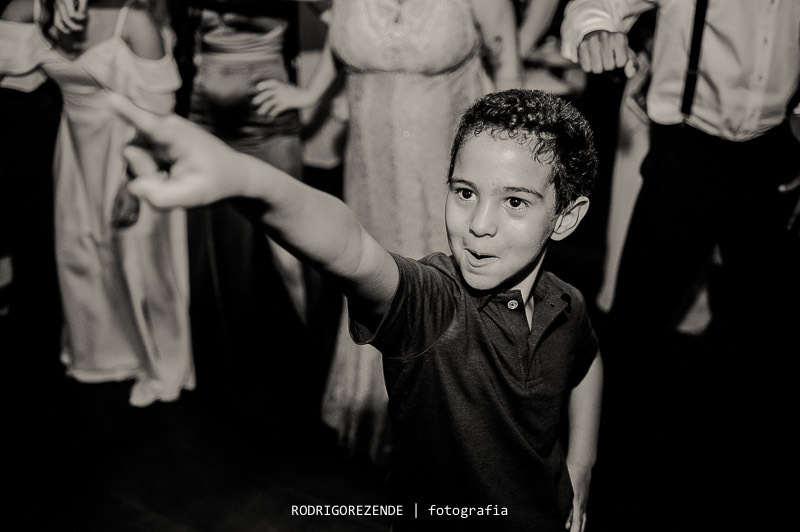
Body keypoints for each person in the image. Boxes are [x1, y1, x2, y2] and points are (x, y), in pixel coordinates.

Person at [109, 88, 602, 531]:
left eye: (515, 202)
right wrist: (246, 178)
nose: (480, 223)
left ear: (565, 218)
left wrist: (580, 467)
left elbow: (586, 364)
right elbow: (350, 247)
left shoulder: (565, 302)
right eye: (465, 193)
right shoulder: (435, 305)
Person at [561, 1, 800, 529]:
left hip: (771, 156)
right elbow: (596, 6)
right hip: (687, 152)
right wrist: (596, 31)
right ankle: (599, 498)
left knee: (761, 344)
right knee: (632, 334)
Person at [252, 0, 522, 462]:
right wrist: (312, 94)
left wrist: (511, 175)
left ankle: (457, 426)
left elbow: (508, 67)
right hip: (371, 172)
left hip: (451, 172)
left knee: (445, 280)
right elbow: (341, 39)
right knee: (375, 273)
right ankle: (380, 414)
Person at [0, 0, 193, 406]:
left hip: (130, 151)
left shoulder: (135, 21)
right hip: (73, 151)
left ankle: (153, 360)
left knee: (136, 260)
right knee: (82, 254)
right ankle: (99, 357)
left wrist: (132, 180)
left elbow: (161, 121)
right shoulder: (27, 10)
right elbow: (16, 73)